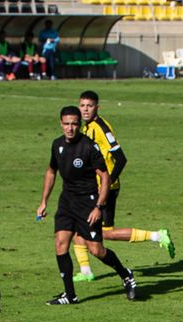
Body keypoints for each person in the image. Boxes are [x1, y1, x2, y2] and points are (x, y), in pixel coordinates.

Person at [69, 91, 176, 284]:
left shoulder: (101, 128)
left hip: (104, 190)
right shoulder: (87, 128)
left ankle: (156, 235)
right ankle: (85, 270)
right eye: (82, 105)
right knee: (79, 228)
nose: (85, 109)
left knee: (103, 232)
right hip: (94, 189)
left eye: (89, 105)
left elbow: (121, 158)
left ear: (97, 108)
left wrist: (107, 184)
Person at [37, 106, 139, 305]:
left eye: (74, 124)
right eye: (66, 124)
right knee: (60, 244)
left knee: (96, 250)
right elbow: (51, 172)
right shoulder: (57, 145)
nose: (70, 128)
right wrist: (43, 202)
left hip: (88, 203)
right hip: (67, 202)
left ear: (79, 125)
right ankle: (70, 295)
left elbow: (105, 176)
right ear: (61, 124)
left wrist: (99, 207)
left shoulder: (89, 147)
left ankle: (125, 274)